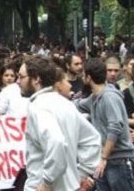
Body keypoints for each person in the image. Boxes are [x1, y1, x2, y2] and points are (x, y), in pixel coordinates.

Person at [18, 56, 101, 191]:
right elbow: (93, 140)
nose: (17, 81)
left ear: (36, 79)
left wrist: (46, 183)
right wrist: (81, 174)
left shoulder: (39, 106)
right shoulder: (66, 104)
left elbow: (56, 141)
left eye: (21, 77)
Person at [76, 58, 134, 191]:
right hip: (104, 162)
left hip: (118, 160)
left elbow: (115, 128)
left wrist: (104, 157)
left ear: (88, 77)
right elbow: (77, 105)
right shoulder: (95, 97)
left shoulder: (109, 97)